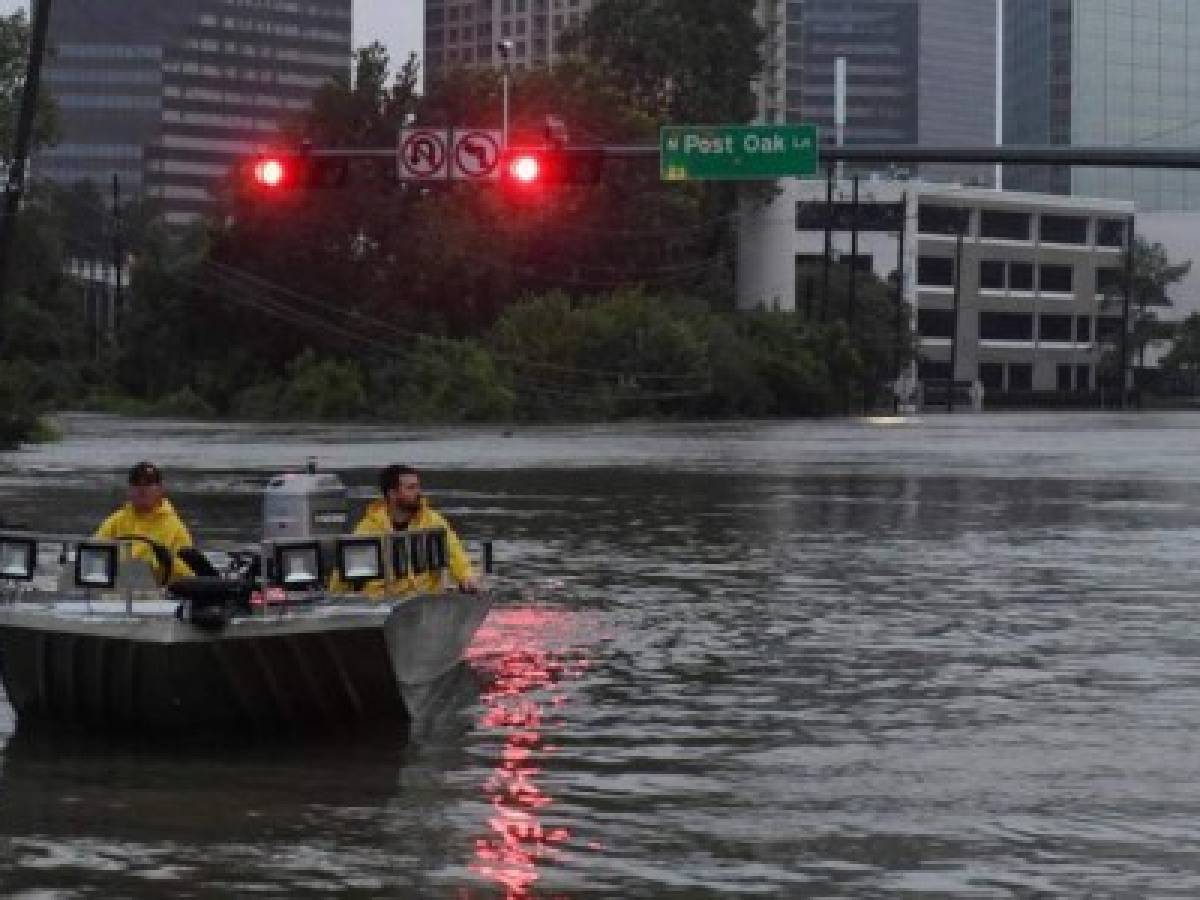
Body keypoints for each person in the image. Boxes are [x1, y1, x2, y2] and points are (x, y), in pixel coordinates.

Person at [340, 464, 479, 597]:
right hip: (381, 602)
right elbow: (346, 570)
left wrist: (466, 577)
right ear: (392, 494)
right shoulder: (367, 529)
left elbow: (454, 551)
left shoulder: (433, 521)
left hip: (424, 599)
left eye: (418, 487)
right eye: (411, 488)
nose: (418, 493)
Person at [94, 461, 196, 584]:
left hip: (160, 593)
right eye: (137, 484)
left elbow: (187, 571)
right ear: (129, 490)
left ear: (160, 490)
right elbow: (94, 551)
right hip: (118, 589)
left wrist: (158, 566)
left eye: (148, 483)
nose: (142, 489)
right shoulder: (115, 520)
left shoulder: (174, 526)